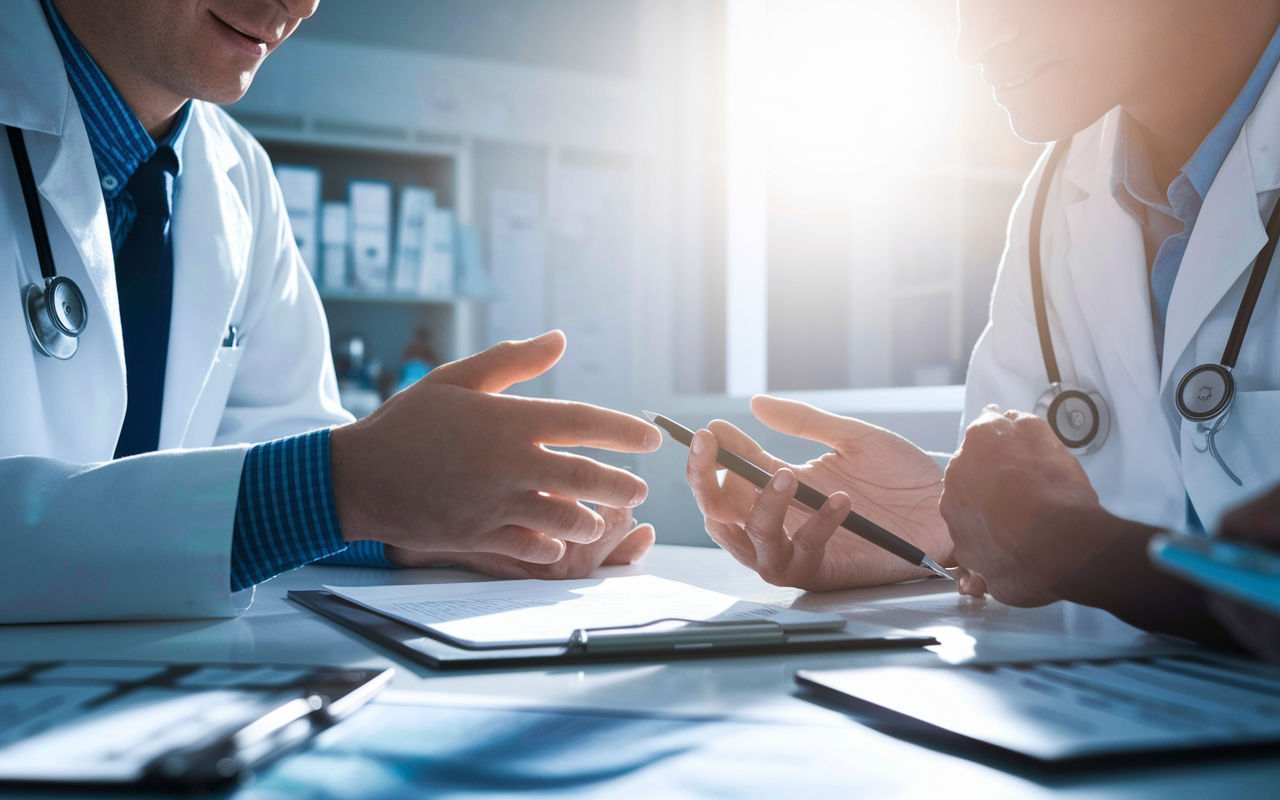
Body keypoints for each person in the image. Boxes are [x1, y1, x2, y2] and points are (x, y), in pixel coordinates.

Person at [1, 0, 660, 624]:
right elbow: (301, 482)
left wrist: (408, 527)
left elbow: (271, 445)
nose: (302, 3)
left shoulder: (239, 176)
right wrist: (345, 488)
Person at [685, 0, 1280, 658]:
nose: (973, 42)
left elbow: (1090, 542)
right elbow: (1095, 497)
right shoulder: (1060, 189)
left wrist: (1084, 552)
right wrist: (949, 522)